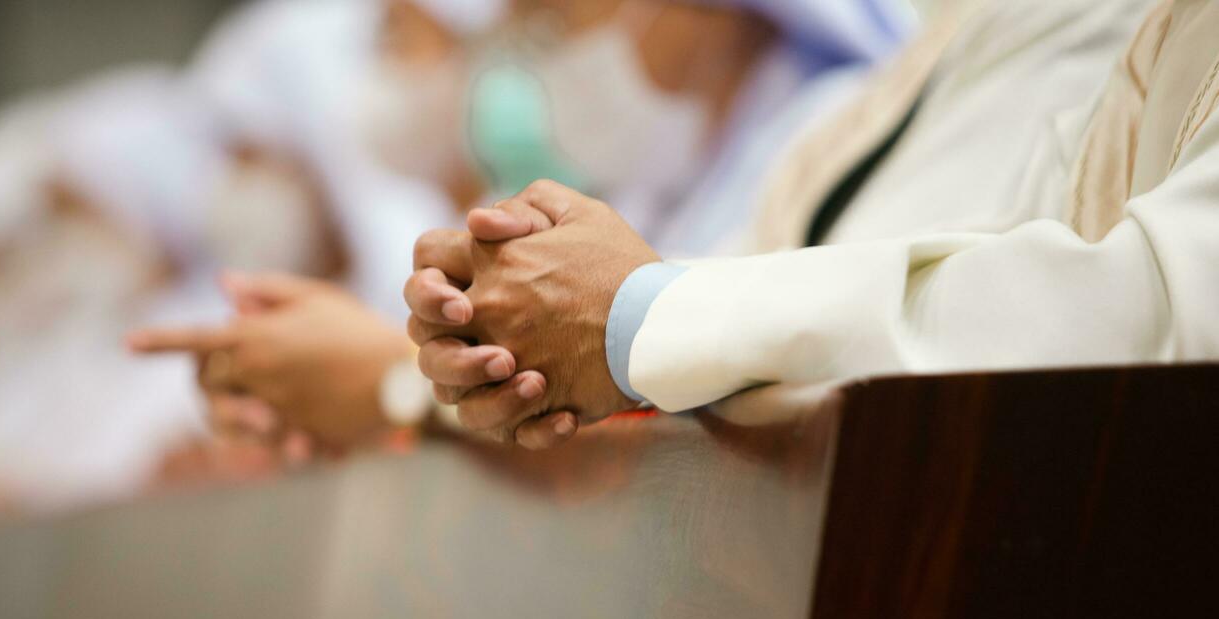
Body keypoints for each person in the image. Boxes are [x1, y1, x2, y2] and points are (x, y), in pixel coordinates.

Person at [406, 0, 1218, 449]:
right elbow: (757, 284)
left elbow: (1138, 322)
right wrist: (505, 313)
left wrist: (632, 317)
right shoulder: (965, 45)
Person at [130, 0, 914, 456]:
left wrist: (384, 384)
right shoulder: (652, 185)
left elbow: (741, 416)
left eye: (564, 16)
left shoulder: (841, 139)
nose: (552, 56)